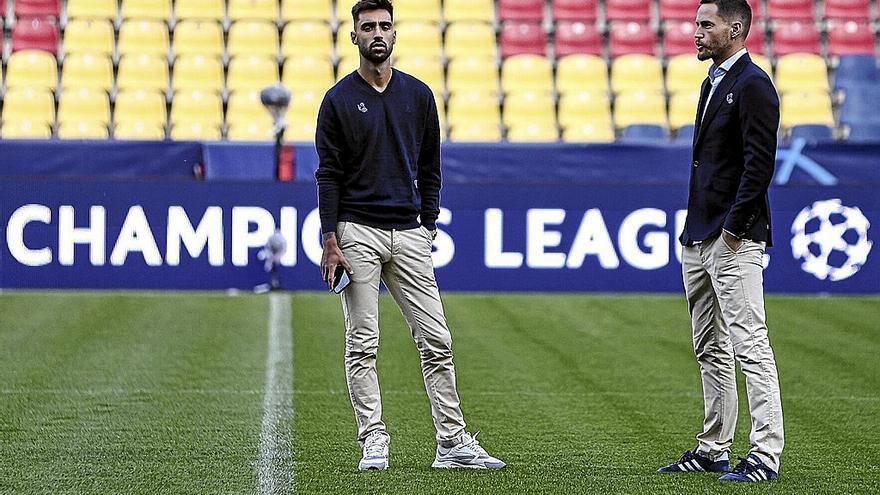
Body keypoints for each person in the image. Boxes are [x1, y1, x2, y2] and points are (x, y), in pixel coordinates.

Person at [315, 0, 505, 472]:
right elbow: (328, 175)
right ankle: (373, 440)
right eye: (367, 27)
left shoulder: (418, 96)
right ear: (354, 37)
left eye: (384, 25)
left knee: (437, 340)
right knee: (363, 342)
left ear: (395, 34)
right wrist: (330, 238)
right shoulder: (337, 101)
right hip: (356, 231)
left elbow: (430, 166)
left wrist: (430, 221)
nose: (377, 33)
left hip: (411, 233)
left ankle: (452, 442)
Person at [658, 0, 784, 483]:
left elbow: (759, 165)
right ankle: (713, 448)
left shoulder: (753, 86)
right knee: (709, 345)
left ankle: (765, 453)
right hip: (699, 234)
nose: (696, 32)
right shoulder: (714, 82)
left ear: (735, 28)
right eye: (696, 24)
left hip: (732, 238)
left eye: (705, 25)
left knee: (750, 344)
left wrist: (734, 228)